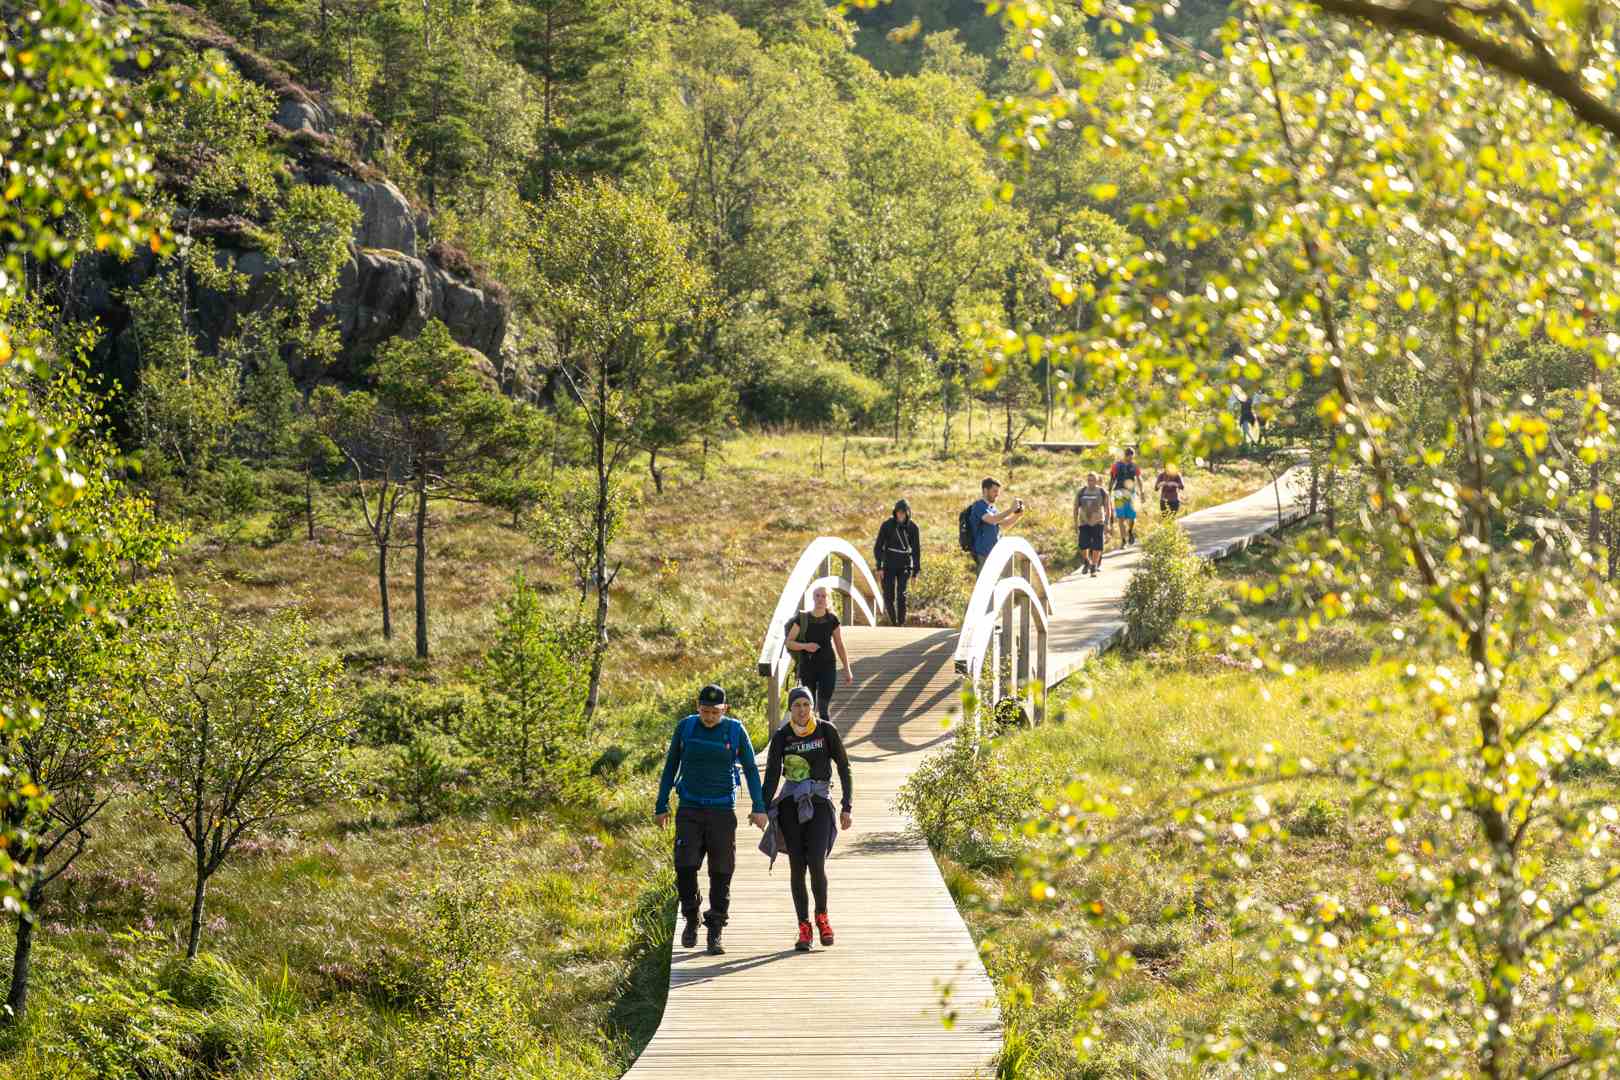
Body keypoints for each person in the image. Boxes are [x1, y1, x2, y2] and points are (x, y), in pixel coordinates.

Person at [654, 684, 768, 956]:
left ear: (724, 709)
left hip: (721, 810)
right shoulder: (686, 728)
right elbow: (671, 765)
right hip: (689, 807)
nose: (709, 717)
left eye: (715, 712)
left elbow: (751, 769)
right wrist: (661, 804)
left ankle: (715, 929)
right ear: (697, 706)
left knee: (721, 871)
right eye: (705, 711)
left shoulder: (735, 730)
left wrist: (759, 806)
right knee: (684, 865)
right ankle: (691, 917)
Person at [761, 686, 853, 952]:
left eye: (805, 705)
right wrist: (762, 807)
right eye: (796, 706)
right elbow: (772, 776)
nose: (801, 710)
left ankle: (822, 917)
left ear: (812, 707)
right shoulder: (782, 736)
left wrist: (847, 805)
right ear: (790, 709)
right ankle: (804, 926)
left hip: (820, 802)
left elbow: (844, 767)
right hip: (791, 805)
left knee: (816, 861)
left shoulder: (826, 731)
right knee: (797, 866)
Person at [785, 586, 853, 722]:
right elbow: (789, 642)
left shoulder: (832, 619)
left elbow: (839, 645)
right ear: (813, 597)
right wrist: (806, 646)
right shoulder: (802, 618)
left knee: (823, 709)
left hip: (827, 665)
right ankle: (811, 739)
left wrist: (847, 669)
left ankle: (827, 738)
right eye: (817, 596)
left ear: (827, 598)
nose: (820, 599)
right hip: (807, 666)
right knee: (810, 707)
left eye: (823, 596)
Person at [873, 499, 921, 626]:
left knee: (902, 594)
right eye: (898, 513)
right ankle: (894, 622)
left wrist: (915, 572)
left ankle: (901, 622)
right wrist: (879, 566)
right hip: (889, 564)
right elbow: (878, 547)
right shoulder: (887, 525)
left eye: (903, 513)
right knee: (888, 595)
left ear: (907, 513)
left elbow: (916, 550)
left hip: (904, 564)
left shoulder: (913, 528)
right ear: (895, 513)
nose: (901, 515)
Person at [968, 477, 1025, 570]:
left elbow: (1004, 524)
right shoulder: (978, 506)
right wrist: (1011, 510)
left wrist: (1017, 515)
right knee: (986, 583)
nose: (997, 494)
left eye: (998, 491)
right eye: (994, 491)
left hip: (995, 553)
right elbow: (992, 519)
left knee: (1004, 579)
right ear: (985, 490)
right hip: (983, 554)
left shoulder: (992, 508)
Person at [1072, 471, 1111, 577]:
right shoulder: (1081, 492)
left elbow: (1108, 509)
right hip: (1084, 522)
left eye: (1093, 480)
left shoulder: (1102, 492)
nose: (1090, 482)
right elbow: (1075, 508)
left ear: (1097, 481)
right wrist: (1075, 522)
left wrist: (1107, 523)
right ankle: (1086, 561)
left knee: (1097, 546)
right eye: (1089, 480)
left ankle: (1094, 566)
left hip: (1098, 522)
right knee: (1083, 545)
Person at [1108, 449, 1140, 546]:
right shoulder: (1116, 465)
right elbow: (1112, 479)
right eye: (1129, 457)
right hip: (1119, 492)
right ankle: (1123, 540)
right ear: (1124, 456)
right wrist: (1109, 492)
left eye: (1132, 457)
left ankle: (1130, 531)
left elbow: (1139, 478)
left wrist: (1141, 491)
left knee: (1132, 516)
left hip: (1131, 492)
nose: (1130, 459)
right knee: (1120, 517)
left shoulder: (1135, 466)